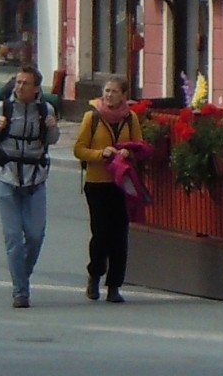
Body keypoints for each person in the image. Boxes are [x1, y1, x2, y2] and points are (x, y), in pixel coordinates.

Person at [0, 64, 59, 308]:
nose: (19, 86)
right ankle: (20, 291)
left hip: (36, 178)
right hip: (6, 176)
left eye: (25, 83)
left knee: (35, 235)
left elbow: (52, 140)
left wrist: (53, 127)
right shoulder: (1, 108)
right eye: (18, 82)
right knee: (13, 236)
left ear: (36, 89)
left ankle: (20, 275)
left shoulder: (46, 110)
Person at [72, 76, 148, 303]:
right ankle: (95, 275)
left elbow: (140, 146)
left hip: (121, 183)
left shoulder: (130, 118)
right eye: (106, 91)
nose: (109, 95)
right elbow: (78, 149)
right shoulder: (92, 117)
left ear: (124, 95)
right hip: (97, 183)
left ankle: (114, 286)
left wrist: (129, 153)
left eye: (114, 91)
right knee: (101, 233)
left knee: (119, 235)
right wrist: (100, 154)